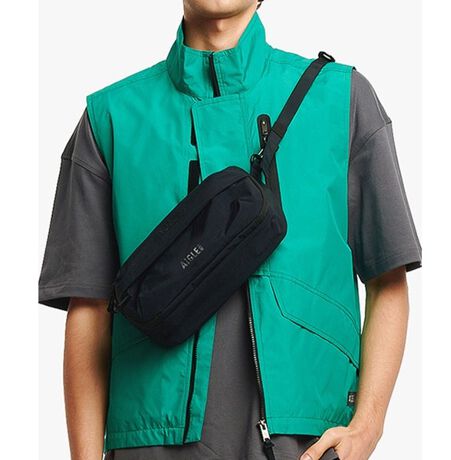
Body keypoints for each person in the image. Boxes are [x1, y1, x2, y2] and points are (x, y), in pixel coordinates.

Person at [38, 1, 422, 459]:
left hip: (307, 444)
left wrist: (367, 427)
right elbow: (88, 307)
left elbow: (387, 279)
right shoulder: (110, 119)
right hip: (150, 443)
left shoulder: (342, 99)